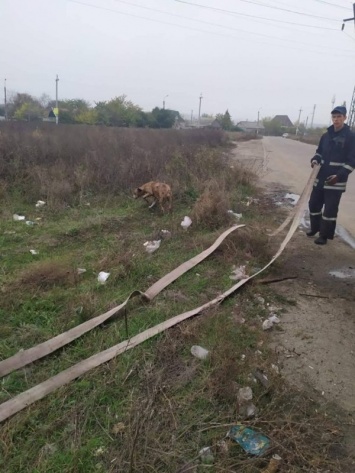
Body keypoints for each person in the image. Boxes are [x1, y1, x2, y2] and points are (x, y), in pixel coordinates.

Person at [307, 105, 355, 245]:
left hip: (336, 181)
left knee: (329, 210)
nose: (336, 119)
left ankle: (324, 235)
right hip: (320, 177)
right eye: (334, 117)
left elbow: (352, 161)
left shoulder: (351, 137)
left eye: (339, 117)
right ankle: (315, 228)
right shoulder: (326, 135)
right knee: (314, 205)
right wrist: (315, 159)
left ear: (345, 118)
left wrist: (339, 176)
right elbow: (319, 151)